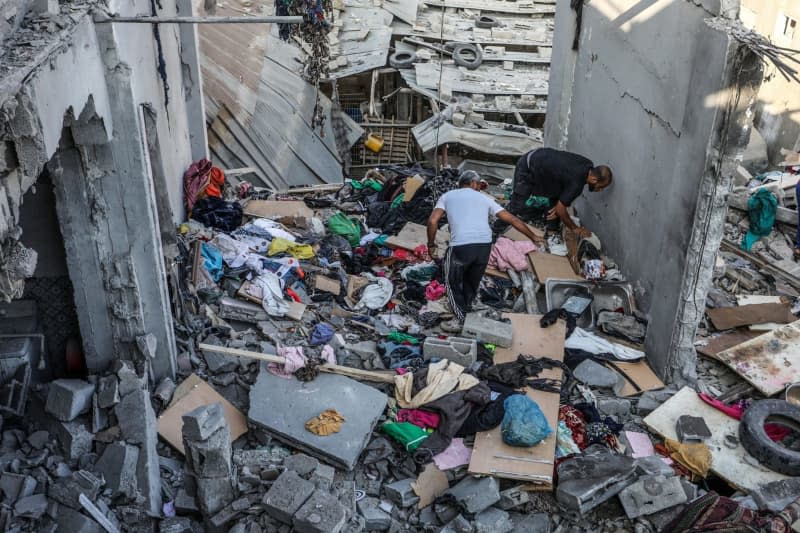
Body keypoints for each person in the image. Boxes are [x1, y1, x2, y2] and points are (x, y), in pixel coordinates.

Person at [427, 171, 543, 323]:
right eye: (479, 185)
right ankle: (467, 308)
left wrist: (431, 244)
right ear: (474, 183)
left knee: (452, 281)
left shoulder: (448, 196)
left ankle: (462, 318)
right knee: (472, 281)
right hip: (484, 247)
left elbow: (432, 221)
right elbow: (512, 219)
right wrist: (533, 236)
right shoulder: (484, 198)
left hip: (461, 246)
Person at [508, 147, 612, 238]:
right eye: (601, 187)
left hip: (540, 158)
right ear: (594, 179)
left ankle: (550, 231)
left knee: (557, 206)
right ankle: (496, 229)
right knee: (517, 206)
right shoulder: (577, 183)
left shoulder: (587, 164)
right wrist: (575, 228)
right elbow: (561, 209)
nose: (600, 190)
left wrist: (559, 207)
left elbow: (565, 181)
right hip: (528, 166)